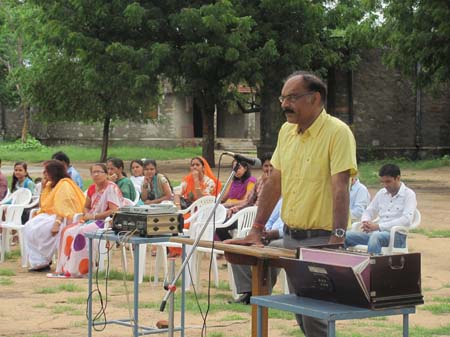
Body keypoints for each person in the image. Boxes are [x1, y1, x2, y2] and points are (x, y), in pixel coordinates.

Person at [226, 71, 357, 337]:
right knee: (297, 307)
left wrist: (337, 238)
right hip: (289, 236)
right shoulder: (287, 131)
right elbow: (275, 182)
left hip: (320, 239)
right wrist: (257, 228)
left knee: (313, 316)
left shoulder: (338, 132)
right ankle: (251, 292)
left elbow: (340, 186)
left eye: (293, 98)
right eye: (283, 98)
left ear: (315, 98)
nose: (285, 104)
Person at [53, 163, 124, 278]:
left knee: (83, 231)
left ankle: (81, 269)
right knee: (67, 231)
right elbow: (86, 206)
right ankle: (65, 267)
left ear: (106, 174)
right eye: (93, 172)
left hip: (107, 222)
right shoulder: (92, 188)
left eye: (99, 172)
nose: (96, 175)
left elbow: (114, 211)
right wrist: (87, 213)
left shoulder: (111, 188)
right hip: (91, 219)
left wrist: (94, 216)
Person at [23, 160, 85, 272]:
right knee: (28, 227)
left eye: (47, 171)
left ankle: (44, 260)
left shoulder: (64, 184)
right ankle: (39, 261)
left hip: (63, 218)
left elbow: (64, 207)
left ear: (54, 172)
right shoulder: (49, 184)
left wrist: (57, 223)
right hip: (49, 215)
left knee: (43, 230)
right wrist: (43, 188)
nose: (44, 174)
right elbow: (44, 205)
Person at [345, 164, 417, 254]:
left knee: (375, 237)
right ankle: (343, 265)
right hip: (376, 233)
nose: (385, 185)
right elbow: (369, 211)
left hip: (396, 236)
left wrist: (379, 226)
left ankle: (372, 266)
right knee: (345, 236)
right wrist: (365, 222)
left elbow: (406, 220)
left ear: (398, 178)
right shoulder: (381, 193)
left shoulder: (409, 194)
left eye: (388, 181)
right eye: (382, 182)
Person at [230, 198, 284, 304]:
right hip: (268, 235)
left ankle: (262, 293)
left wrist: (274, 233)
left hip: (284, 237)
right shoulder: (282, 200)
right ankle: (249, 291)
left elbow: (291, 229)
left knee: (271, 249)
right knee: (236, 247)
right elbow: (270, 220)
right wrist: (263, 232)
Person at [226, 152, 273, 217]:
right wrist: (232, 209)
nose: (269, 169)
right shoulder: (259, 181)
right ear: (262, 167)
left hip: (265, 218)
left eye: (271, 166)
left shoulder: (279, 182)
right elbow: (248, 202)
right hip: (251, 216)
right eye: (266, 166)